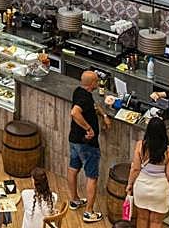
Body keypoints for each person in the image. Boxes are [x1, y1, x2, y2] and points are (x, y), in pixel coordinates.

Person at [68, 70, 108, 223]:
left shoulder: (79, 91)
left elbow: (93, 106)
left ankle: (74, 200)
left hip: (74, 139)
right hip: (87, 144)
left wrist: (104, 115)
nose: (98, 83)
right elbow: (75, 112)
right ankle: (89, 212)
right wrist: (89, 128)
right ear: (92, 84)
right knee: (92, 177)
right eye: (97, 81)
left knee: (73, 169)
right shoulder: (85, 98)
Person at [125, 116, 169, 228]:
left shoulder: (140, 145)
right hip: (160, 189)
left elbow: (135, 169)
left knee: (142, 218)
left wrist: (130, 184)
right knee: (156, 222)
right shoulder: (168, 151)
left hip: (142, 187)